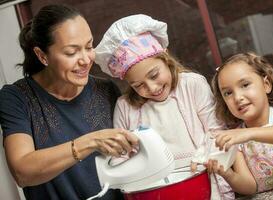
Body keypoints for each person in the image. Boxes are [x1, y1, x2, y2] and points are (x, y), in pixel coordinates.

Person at [0, 4, 139, 200]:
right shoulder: (18, 98)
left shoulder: (106, 90)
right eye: (72, 52)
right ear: (42, 55)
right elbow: (23, 172)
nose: (85, 60)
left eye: (89, 47)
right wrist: (91, 141)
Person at [94, 14, 234, 200]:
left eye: (154, 75)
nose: (152, 88)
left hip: (205, 184)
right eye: (138, 85)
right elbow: (121, 156)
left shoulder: (192, 85)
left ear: (165, 57)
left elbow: (216, 131)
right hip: (156, 193)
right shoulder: (125, 107)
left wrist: (202, 158)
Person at [208, 52, 273, 195]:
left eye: (245, 85)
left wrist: (249, 133)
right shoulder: (236, 139)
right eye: (228, 93)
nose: (238, 97)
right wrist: (228, 174)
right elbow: (250, 187)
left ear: (266, 85)